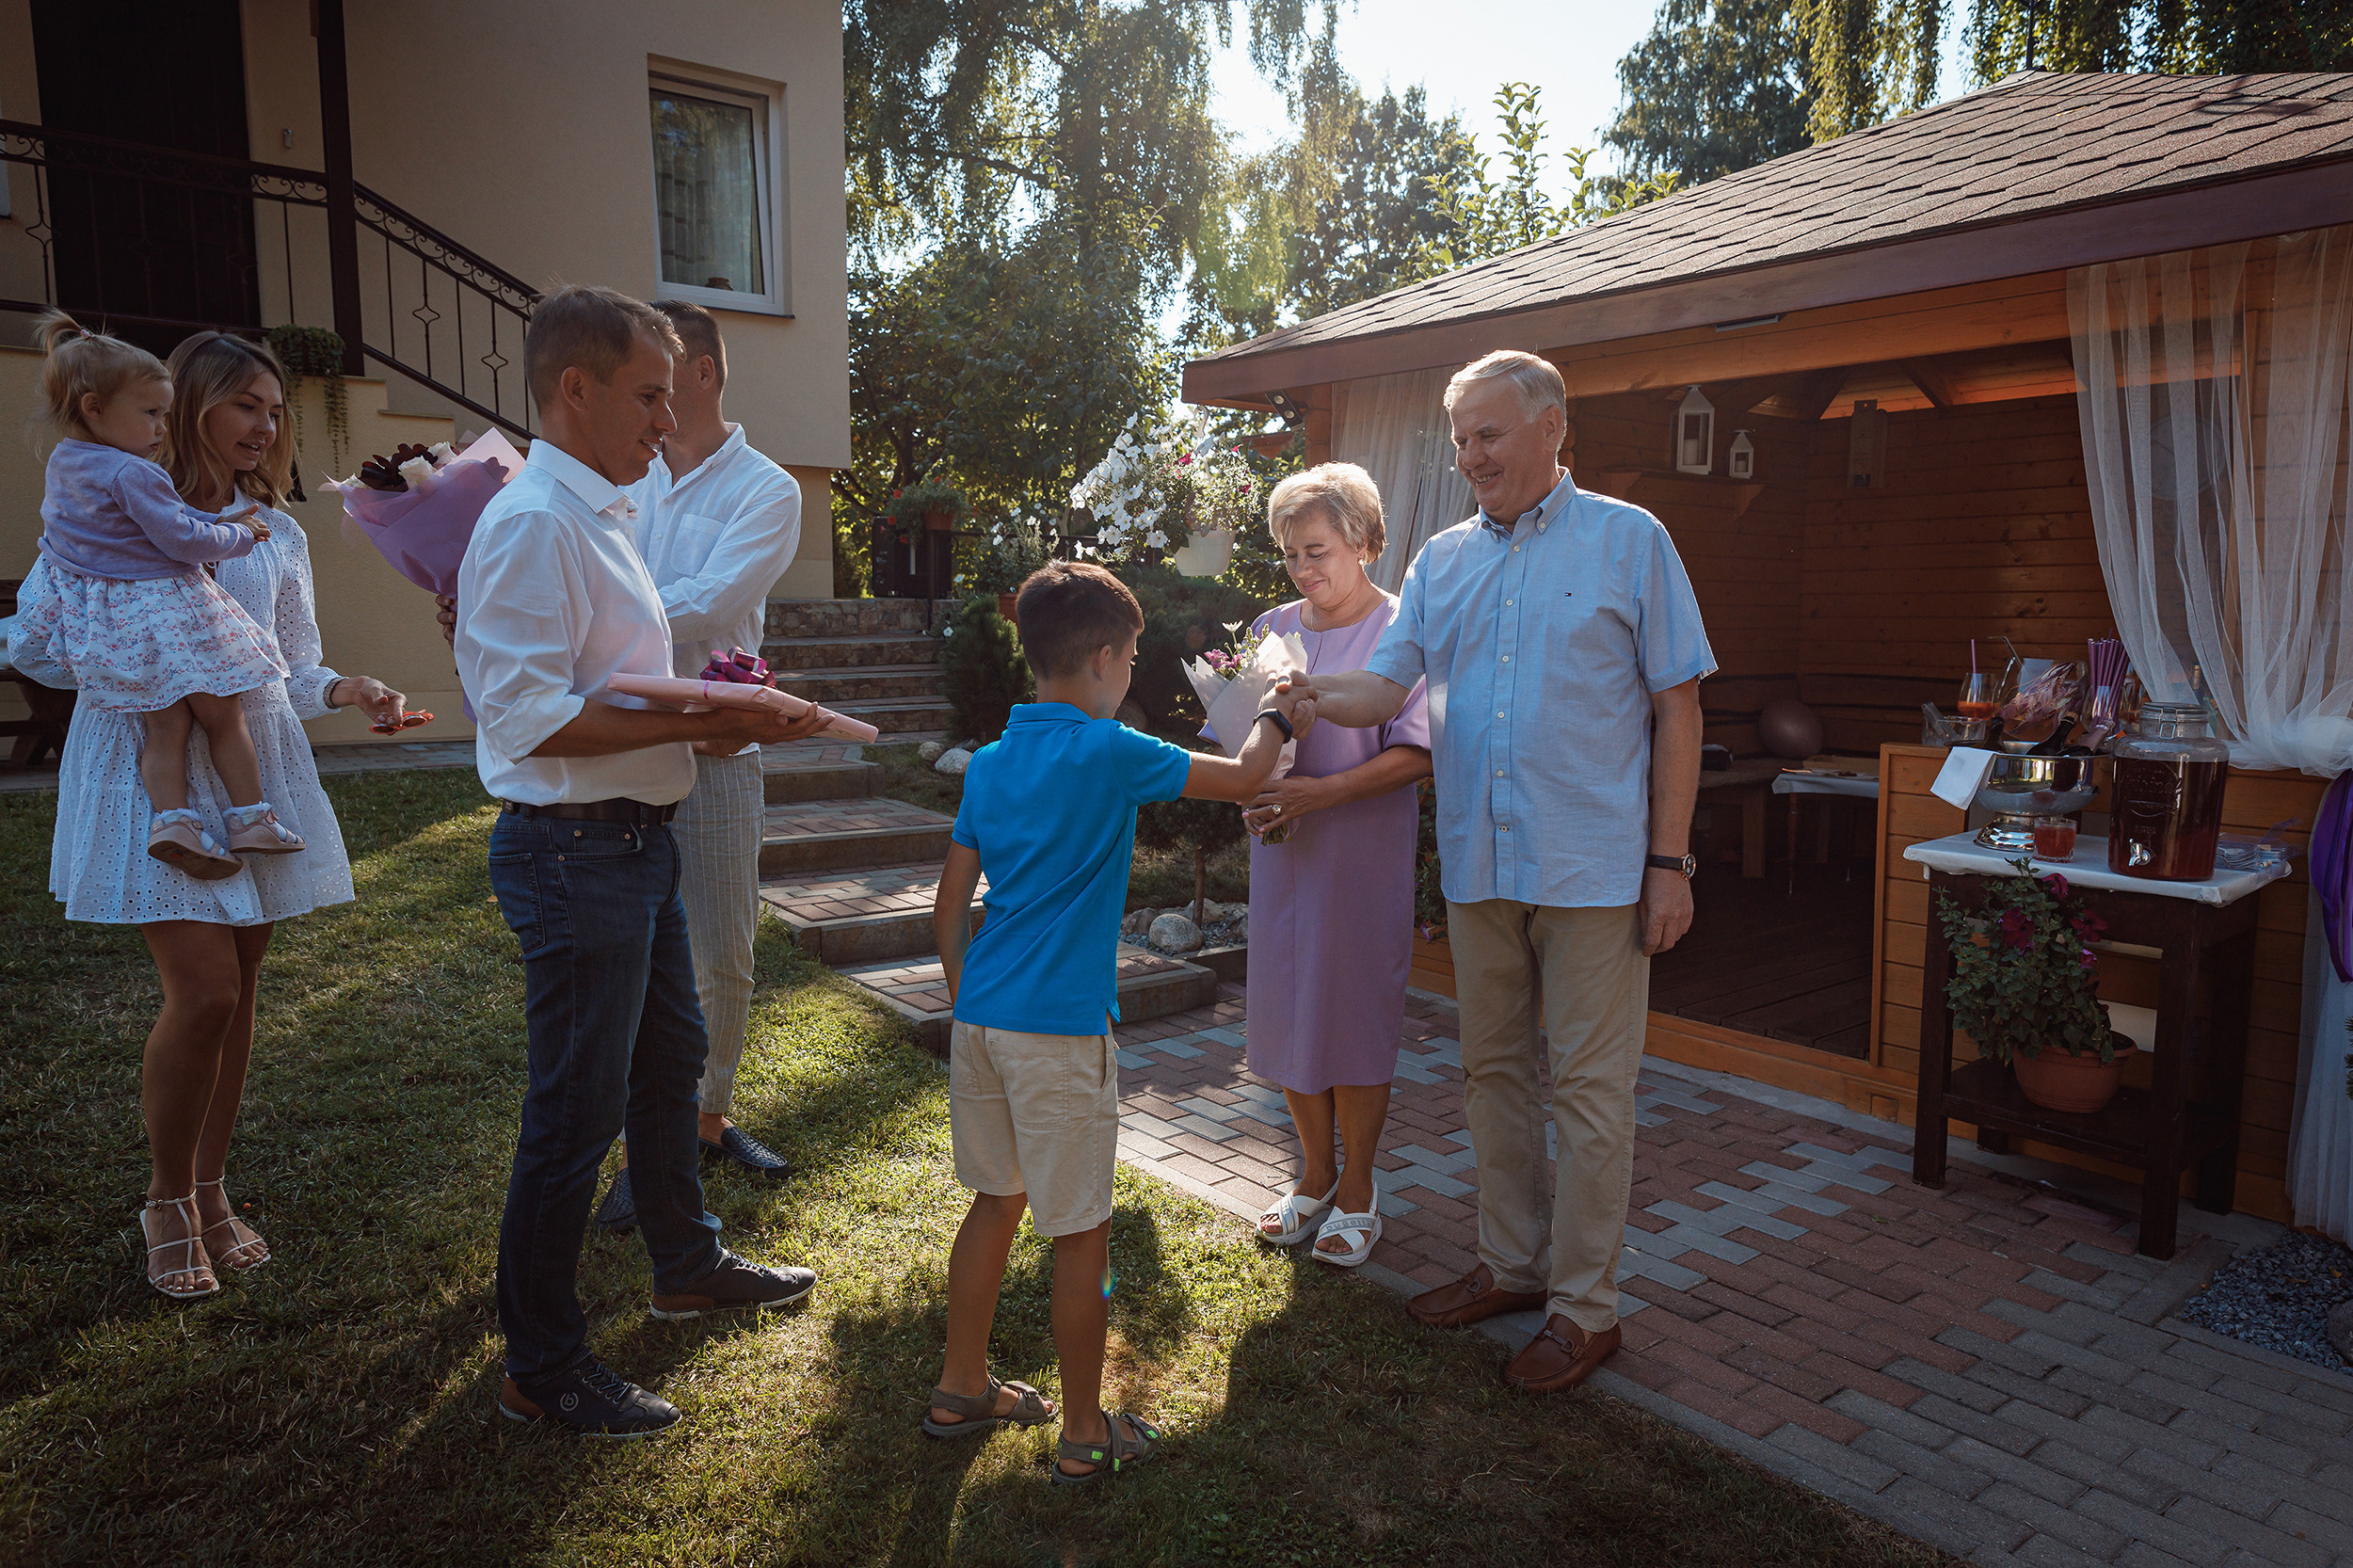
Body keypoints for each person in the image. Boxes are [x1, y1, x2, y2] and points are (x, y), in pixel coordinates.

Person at [1283, 349, 1712, 1394]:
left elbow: (1678, 708)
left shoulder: (1630, 540)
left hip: (1596, 866)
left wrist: (1669, 863)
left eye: (1488, 433)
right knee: (1494, 1078)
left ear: (1552, 427)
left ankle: (1585, 1310)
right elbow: (1386, 683)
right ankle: (1514, 1268)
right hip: (1479, 862)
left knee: (1593, 1091)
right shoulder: (1440, 559)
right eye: (1459, 437)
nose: (1470, 455)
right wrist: (1294, 691)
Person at [454, 285, 832, 1438]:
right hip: (575, 851)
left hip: (632, 841)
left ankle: (684, 1263)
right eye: (650, 394)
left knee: (668, 1065)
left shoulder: (601, 509)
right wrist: (690, 727)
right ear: (576, 389)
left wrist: (713, 723)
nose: (668, 422)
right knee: (571, 1116)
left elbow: (606, 682)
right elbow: (523, 714)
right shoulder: (533, 520)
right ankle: (543, 1363)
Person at [8, 329, 414, 1300]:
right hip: (152, 768)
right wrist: (145, 665)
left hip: (254, 768)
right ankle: (164, 1197)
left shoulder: (275, 531)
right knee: (205, 992)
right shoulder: (98, 511)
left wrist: (350, 685)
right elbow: (36, 642)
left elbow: (290, 660)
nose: (266, 427)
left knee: (241, 987)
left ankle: (210, 1188)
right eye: (247, 406)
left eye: (275, 411)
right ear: (186, 405)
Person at [926, 561, 1307, 1481]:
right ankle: (1086, 1434)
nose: (1132, 672)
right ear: (1101, 658)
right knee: (1081, 1231)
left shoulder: (991, 760)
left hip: (980, 1020)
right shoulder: (1111, 748)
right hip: (1059, 1033)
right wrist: (1281, 702)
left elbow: (947, 906)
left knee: (996, 1202)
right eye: (1132, 656)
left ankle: (958, 1387)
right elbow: (1251, 772)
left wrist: (968, 994)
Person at [589, 298, 805, 1235]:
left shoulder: (767, 488)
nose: (642, 401)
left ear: (704, 372)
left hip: (717, 744)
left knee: (722, 953)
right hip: (628, 739)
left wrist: (586, 620)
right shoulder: (620, 482)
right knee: (633, 957)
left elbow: (714, 604)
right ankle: (648, 1147)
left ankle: (707, 1124)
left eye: (652, 377)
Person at [1206, 464, 1430, 1266]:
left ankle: (1362, 1188)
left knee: (1355, 1017)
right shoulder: (1272, 626)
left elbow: (1415, 756)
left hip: (1360, 852)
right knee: (1290, 1011)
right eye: (1292, 554)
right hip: (1283, 850)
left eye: (1319, 550)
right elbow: (1248, 735)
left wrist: (1318, 794)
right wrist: (1255, 780)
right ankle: (1311, 1176)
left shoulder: (1405, 627)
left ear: (1365, 542)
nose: (1304, 570)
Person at [14, 311, 306, 880]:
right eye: (153, 414)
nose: (158, 428)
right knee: (225, 714)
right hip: (171, 614)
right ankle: (250, 816)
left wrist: (108, 654)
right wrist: (239, 533)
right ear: (95, 408)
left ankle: (173, 820)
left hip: (114, 625)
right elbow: (181, 537)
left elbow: (72, 543)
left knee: (165, 726)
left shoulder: (67, 467)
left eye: (274, 412)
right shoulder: (135, 473)